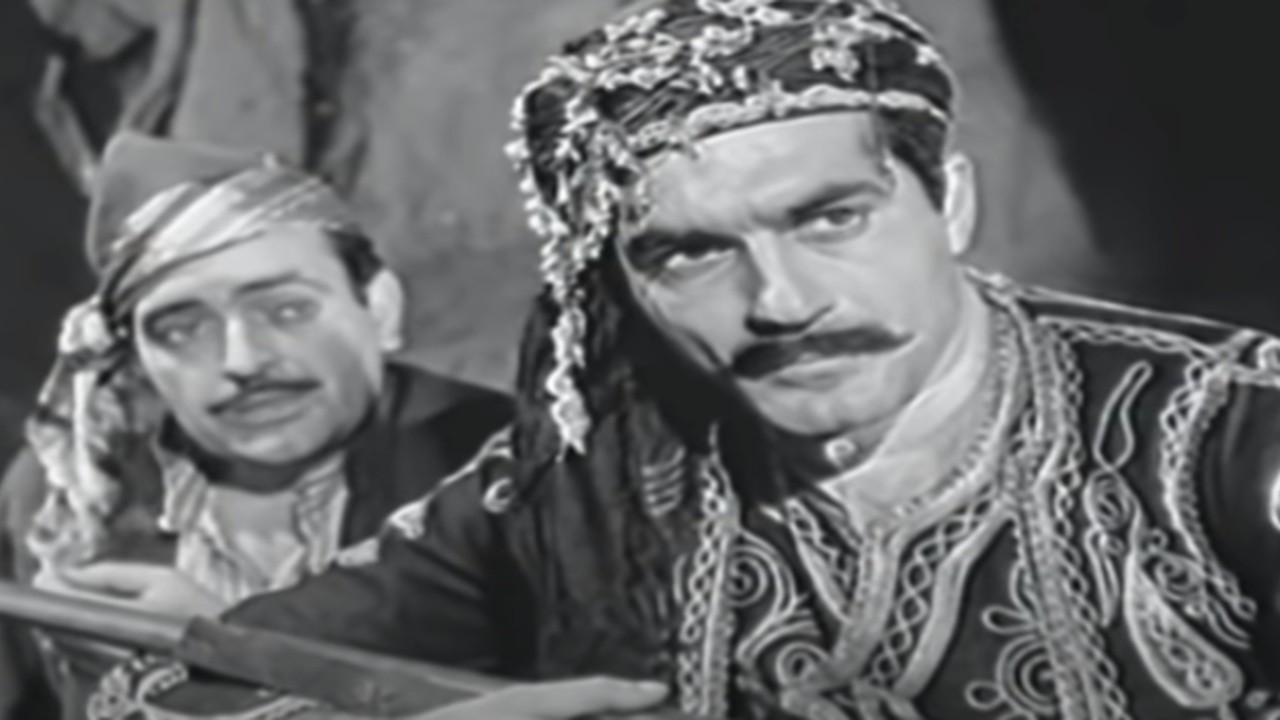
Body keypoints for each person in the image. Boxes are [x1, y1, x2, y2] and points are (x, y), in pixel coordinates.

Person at [92, 1, 1280, 718]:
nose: (780, 303)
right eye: (686, 253)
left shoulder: (1221, 435)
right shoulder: (585, 477)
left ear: (949, 202)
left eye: (830, 217)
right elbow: (174, 692)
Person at [0, 133, 511, 720]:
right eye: (181, 329)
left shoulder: (512, 473)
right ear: (135, 360)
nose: (241, 360)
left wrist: (235, 654)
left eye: (287, 309)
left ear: (380, 308)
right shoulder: (67, 500)